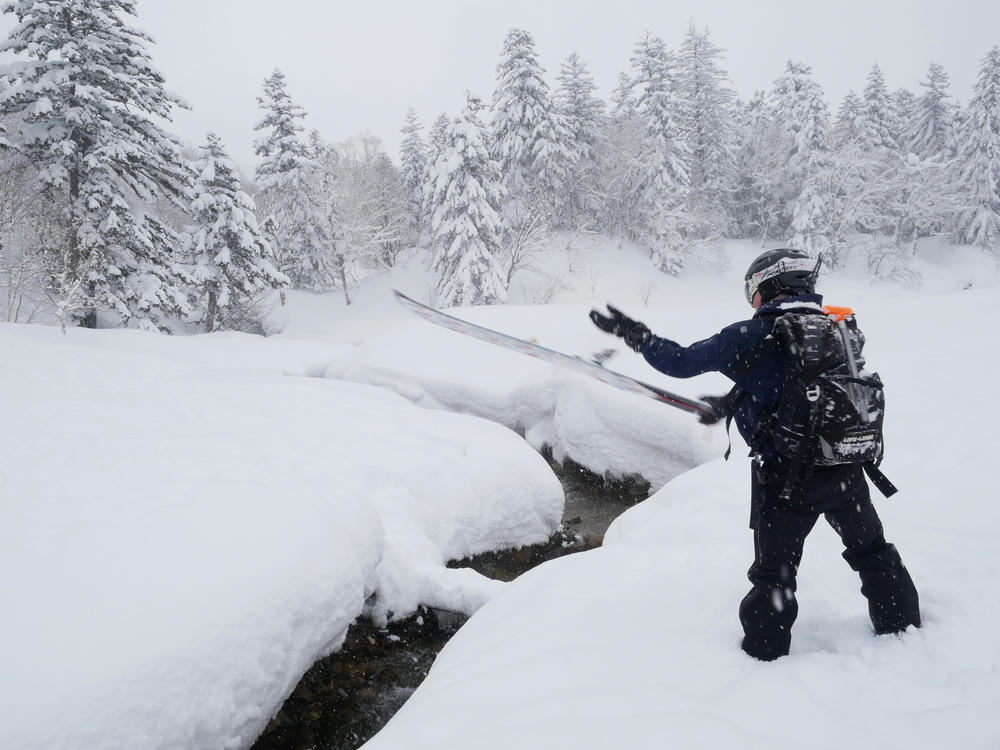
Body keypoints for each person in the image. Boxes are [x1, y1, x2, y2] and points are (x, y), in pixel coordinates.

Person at [589, 248, 920, 661]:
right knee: (873, 551)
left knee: (775, 574)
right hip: (845, 467)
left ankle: (764, 659)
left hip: (786, 480)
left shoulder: (750, 334)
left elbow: (680, 362)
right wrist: (736, 402)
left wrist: (635, 334)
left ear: (768, 285)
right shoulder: (839, 328)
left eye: (753, 291)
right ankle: (904, 629)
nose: (752, 301)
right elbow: (806, 387)